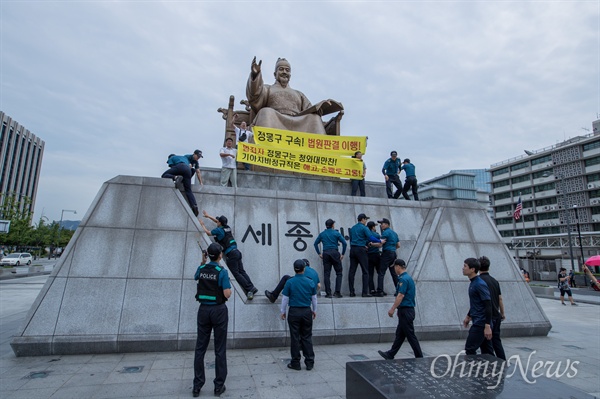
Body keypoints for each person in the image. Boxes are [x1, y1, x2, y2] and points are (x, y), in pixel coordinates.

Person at [246, 57, 343, 135]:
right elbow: (255, 95)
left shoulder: (298, 94)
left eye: (287, 70)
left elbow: (310, 109)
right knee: (265, 112)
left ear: (290, 75)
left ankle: (320, 151)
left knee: (314, 118)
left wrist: (319, 110)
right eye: (281, 69)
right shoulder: (268, 88)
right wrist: (255, 75)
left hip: (298, 123)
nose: (284, 72)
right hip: (276, 120)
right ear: (275, 74)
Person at [193, 243, 231, 397]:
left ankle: (197, 385)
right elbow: (227, 294)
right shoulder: (221, 271)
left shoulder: (201, 269)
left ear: (208, 255)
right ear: (220, 255)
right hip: (218, 311)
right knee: (219, 349)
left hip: (203, 310)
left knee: (200, 348)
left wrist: (203, 261)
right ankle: (218, 386)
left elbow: (196, 276)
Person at [199, 211, 258, 300]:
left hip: (231, 254)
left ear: (220, 223)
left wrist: (202, 224)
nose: (216, 221)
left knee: (236, 273)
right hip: (237, 252)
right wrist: (208, 216)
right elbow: (217, 221)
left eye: (218, 221)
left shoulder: (219, 230)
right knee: (242, 271)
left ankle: (249, 289)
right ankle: (252, 287)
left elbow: (207, 232)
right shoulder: (227, 228)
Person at [378, 259, 423, 360]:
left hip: (406, 311)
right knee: (400, 334)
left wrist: (392, 309)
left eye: (394, 267)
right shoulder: (407, 278)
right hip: (406, 310)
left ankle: (419, 356)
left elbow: (400, 295)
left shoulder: (403, 279)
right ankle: (390, 354)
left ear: (398, 266)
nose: (394, 269)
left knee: (410, 335)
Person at [280, 259, 318, 371]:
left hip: (294, 312)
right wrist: (314, 310)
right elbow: (314, 298)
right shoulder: (310, 281)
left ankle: (295, 362)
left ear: (294, 269)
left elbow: (285, 299)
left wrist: (283, 311)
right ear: (304, 269)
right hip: (306, 311)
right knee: (306, 336)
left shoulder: (290, 282)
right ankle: (309, 362)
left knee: (295, 337)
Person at [462, 258, 494, 356]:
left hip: (481, 324)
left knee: (470, 349)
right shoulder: (473, 283)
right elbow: (476, 303)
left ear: (472, 269)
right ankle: (492, 369)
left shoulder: (479, 284)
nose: (463, 268)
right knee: (487, 352)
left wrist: (487, 326)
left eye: (465, 266)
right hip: (479, 321)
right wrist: (468, 316)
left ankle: (474, 370)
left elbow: (488, 305)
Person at [477, 256, 506, 360]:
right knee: (497, 341)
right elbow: (500, 299)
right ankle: (502, 361)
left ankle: (489, 364)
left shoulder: (479, 281)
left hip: (486, 317)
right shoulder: (494, 281)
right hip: (496, 315)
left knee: (486, 344)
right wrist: (502, 313)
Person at [161, 150, 203, 216]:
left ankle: (176, 178)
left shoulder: (171, 158)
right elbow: (193, 169)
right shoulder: (185, 157)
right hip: (188, 171)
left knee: (164, 175)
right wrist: (201, 183)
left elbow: (173, 168)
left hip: (181, 167)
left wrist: (175, 177)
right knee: (188, 190)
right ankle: (194, 206)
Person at [313, 219, 347, 298]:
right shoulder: (336, 233)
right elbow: (344, 243)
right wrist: (342, 254)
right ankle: (337, 292)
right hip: (335, 253)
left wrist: (319, 253)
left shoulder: (322, 234)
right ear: (332, 225)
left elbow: (315, 244)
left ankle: (328, 293)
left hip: (326, 253)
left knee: (327, 274)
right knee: (339, 273)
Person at [348, 213, 373, 297]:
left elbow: (351, 239)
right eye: (365, 219)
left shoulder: (353, 228)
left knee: (352, 271)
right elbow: (371, 238)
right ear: (362, 219)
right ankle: (365, 292)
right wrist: (380, 241)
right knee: (365, 271)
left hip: (353, 249)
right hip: (361, 250)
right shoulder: (364, 228)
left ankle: (351, 291)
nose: (366, 221)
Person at [377, 218, 399, 296]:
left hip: (386, 253)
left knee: (381, 272)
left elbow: (380, 244)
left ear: (387, 224)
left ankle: (380, 291)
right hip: (393, 253)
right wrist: (392, 248)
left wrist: (371, 244)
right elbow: (398, 245)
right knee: (394, 273)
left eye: (382, 223)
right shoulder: (394, 233)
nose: (381, 225)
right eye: (381, 224)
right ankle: (398, 290)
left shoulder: (385, 233)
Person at [366, 221, 382, 295]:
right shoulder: (376, 235)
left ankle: (371, 289)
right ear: (373, 227)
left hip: (368, 255)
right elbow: (380, 244)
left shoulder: (366, 235)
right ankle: (380, 289)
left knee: (370, 274)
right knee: (380, 272)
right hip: (376, 255)